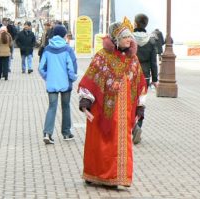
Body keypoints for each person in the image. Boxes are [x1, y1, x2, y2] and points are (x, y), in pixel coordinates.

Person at [78, 17, 147, 188]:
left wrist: (140, 106)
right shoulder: (102, 57)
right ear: (116, 38)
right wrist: (86, 101)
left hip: (124, 112)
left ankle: (118, 176)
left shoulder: (133, 59)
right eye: (125, 37)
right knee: (101, 144)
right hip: (103, 110)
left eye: (130, 37)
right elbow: (90, 79)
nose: (129, 40)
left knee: (121, 144)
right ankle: (96, 174)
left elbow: (140, 84)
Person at [39, 25, 78, 144]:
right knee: (65, 107)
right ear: (64, 35)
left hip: (52, 83)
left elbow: (41, 68)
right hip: (65, 83)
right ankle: (66, 133)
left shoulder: (47, 49)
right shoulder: (67, 49)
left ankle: (47, 133)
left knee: (52, 107)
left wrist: (48, 77)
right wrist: (73, 78)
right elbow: (71, 67)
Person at [132, 13, 158, 144]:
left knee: (130, 102)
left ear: (135, 24)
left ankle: (132, 127)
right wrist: (155, 79)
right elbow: (154, 62)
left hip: (130, 75)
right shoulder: (151, 40)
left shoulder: (129, 39)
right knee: (141, 102)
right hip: (145, 76)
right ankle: (139, 127)